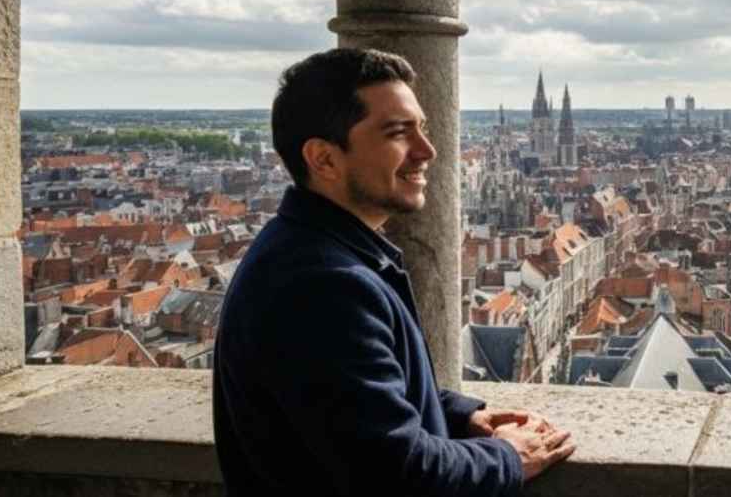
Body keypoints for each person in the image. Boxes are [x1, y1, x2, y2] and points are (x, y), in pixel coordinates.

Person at [213, 48, 575, 495]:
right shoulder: (322, 284)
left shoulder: (314, 250)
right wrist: (509, 457)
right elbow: (396, 473)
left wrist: (461, 416)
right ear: (324, 159)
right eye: (398, 133)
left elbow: (359, 405)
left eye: (421, 128)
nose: (428, 150)